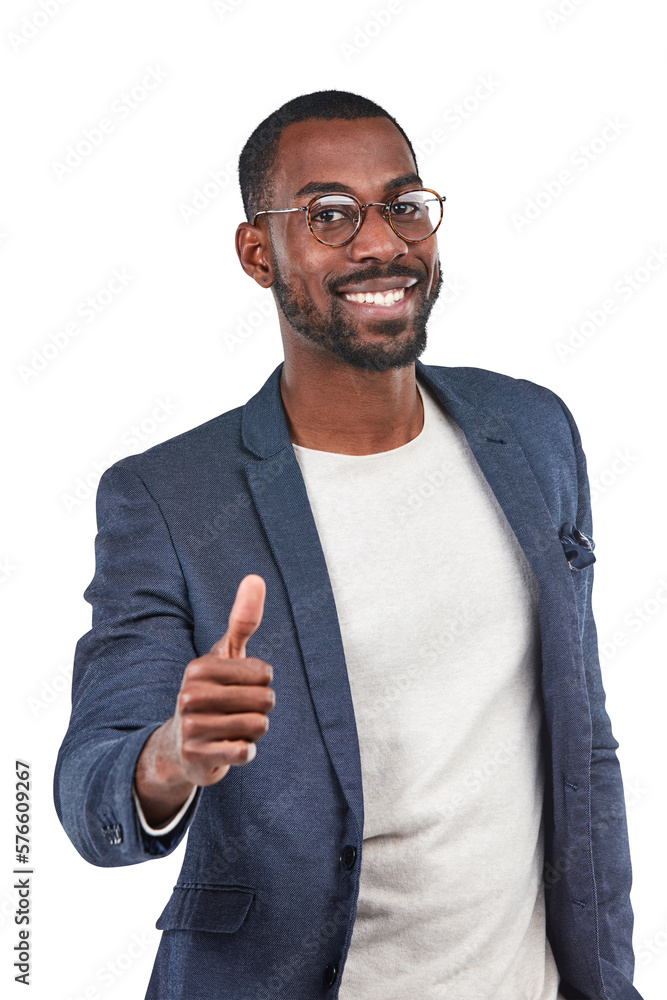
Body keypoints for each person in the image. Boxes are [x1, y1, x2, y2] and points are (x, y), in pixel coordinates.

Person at [54, 89, 643, 1000]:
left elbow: (584, 745)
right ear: (259, 254)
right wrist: (173, 753)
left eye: (403, 205)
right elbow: (90, 789)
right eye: (329, 215)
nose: (381, 243)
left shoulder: (529, 430)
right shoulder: (170, 497)